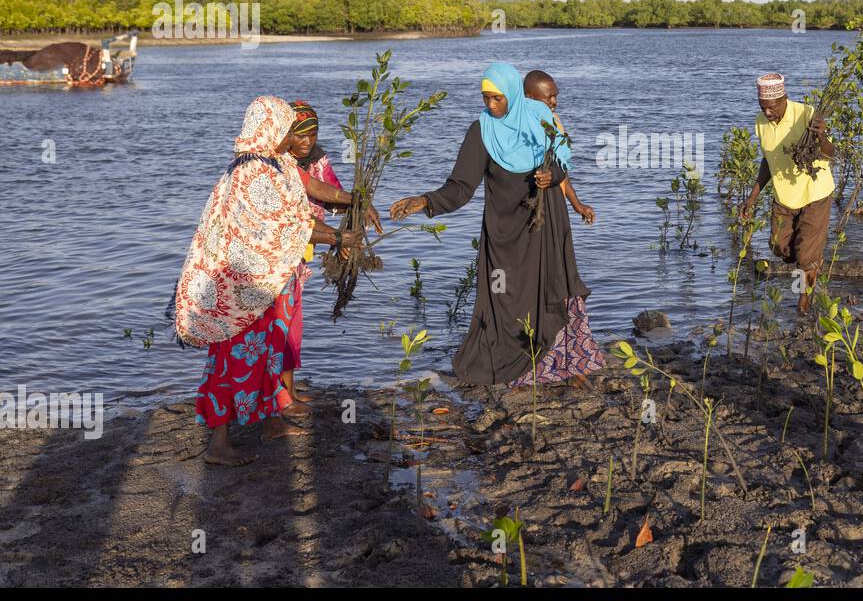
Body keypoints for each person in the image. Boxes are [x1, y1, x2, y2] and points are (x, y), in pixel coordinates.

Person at [174, 95, 366, 466]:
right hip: (240, 290)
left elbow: (311, 186)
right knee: (233, 358)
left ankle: (271, 423)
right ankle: (218, 444)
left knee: (268, 351)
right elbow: (287, 225)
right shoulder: (252, 172)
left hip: (261, 284)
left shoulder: (275, 163)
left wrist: (354, 199)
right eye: (284, 126)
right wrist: (339, 238)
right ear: (270, 127)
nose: (289, 134)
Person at [389, 62, 604, 388]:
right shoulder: (481, 131)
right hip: (505, 233)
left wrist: (552, 176)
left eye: (498, 98)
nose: (491, 105)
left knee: (553, 290)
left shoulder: (540, 118)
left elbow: (561, 165)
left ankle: (567, 365)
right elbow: (461, 186)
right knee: (504, 297)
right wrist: (425, 201)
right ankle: (518, 368)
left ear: (514, 95)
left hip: (548, 224)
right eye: (486, 98)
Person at [282, 100, 381, 407]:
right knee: (282, 320)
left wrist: (357, 204)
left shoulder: (315, 159)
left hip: (305, 247)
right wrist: (338, 238)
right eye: (299, 134)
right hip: (280, 250)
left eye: (312, 134)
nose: (307, 141)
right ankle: (280, 395)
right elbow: (295, 217)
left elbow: (329, 191)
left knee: (292, 320)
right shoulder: (276, 166)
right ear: (285, 134)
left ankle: (289, 389)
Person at [739, 73, 835, 315]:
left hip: (815, 194)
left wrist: (821, 135)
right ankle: (811, 263)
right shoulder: (760, 122)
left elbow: (830, 153)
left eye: (771, 107)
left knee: (805, 258)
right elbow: (768, 159)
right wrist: (752, 197)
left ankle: (803, 303)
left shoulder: (806, 114)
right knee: (779, 247)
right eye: (763, 108)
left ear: (784, 99)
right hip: (784, 198)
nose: (768, 112)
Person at [523, 69, 595, 224]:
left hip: (556, 204)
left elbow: (561, 168)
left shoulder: (554, 123)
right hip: (532, 208)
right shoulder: (523, 129)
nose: (555, 102)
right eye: (549, 97)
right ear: (530, 98)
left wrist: (577, 205)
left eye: (556, 95)